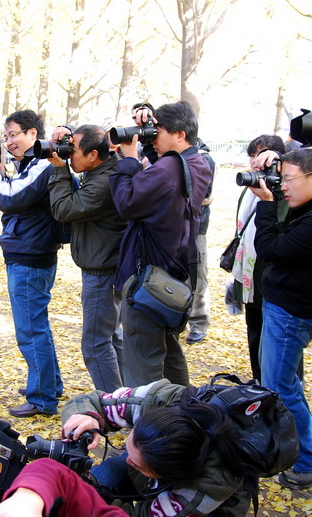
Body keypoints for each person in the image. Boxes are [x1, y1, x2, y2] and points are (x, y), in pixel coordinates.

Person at [0, 380, 253, 517]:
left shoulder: (203, 490)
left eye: (137, 464)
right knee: (99, 480)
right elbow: (91, 400)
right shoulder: (159, 400)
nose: (127, 460)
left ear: (165, 475)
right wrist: (92, 417)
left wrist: (88, 501)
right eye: (129, 447)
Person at [250, 148, 312, 489]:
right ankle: (294, 449)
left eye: (288, 179)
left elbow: (271, 249)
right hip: (290, 305)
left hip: (292, 311)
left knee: (281, 387)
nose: (283, 186)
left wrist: (266, 204)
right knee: (283, 384)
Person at [110, 101, 211, 387]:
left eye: (159, 130)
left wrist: (128, 159)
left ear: (180, 135)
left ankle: (149, 424)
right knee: (169, 351)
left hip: (149, 277)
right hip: (173, 274)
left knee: (143, 363)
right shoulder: (197, 162)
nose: (152, 136)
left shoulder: (168, 168)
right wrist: (151, 142)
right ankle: (183, 415)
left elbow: (127, 202)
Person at [0, 109, 64, 417]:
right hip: (28, 251)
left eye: (14, 134)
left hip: (31, 256)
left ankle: (42, 399)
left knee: (30, 329)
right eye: (6, 136)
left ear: (32, 134)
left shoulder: (42, 165)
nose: (9, 141)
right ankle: (49, 384)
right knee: (36, 324)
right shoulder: (31, 164)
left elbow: (10, 198)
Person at [48, 124, 127, 392]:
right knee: (112, 338)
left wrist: (59, 170)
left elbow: (63, 208)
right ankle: (125, 397)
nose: (69, 156)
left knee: (95, 343)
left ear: (93, 154)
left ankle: (113, 405)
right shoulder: (104, 170)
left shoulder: (104, 182)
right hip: (107, 266)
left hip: (102, 273)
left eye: (73, 151)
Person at [231, 134, 287, 382]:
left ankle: (279, 395)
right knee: (254, 334)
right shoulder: (250, 188)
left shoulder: (287, 188)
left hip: (274, 276)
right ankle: (260, 387)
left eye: (262, 155)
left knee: (277, 342)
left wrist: (280, 170)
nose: (255, 162)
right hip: (250, 274)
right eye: (253, 155)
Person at [184, 137, 215, 344]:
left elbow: (205, 196)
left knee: (197, 275)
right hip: (174, 228)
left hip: (196, 228)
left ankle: (198, 323)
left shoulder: (203, 159)